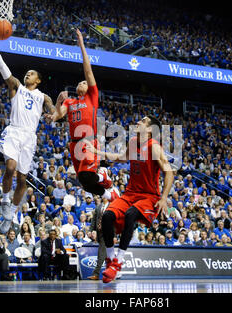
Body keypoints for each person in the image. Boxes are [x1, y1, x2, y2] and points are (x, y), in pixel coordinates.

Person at [87, 115, 174, 283]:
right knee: (107, 216)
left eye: (143, 121)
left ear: (149, 130)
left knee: (131, 215)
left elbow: (169, 171)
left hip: (149, 196)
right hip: (130, 193)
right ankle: (111, 261)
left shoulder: (154, 147)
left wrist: (164, 198)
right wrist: (98, 152)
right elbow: (121, 157)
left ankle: (118, 262)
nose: (138, 122)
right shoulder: (134, 141)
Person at [0, 26, 56, 235]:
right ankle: (5, 200)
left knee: (22, 180)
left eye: (32, 73)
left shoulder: (43, 96)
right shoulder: (16, 86)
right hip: (14, 131)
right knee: (10, 166)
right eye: (27, 72)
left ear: (38, 80)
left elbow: (53, 110)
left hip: (30, 137)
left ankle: (11, 214)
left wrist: (53, 114)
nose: (28, 74)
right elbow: (3, 68)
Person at [50, 28, 119, 203]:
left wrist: (81, 44)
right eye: (80, 82)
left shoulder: (92, 96)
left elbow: (88, 71)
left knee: (88, 176)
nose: (82, 82)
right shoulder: (70, 102)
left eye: (84, 82)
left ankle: (102, 176)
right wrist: (58, 100)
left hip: (89, 140)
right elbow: (56, 116)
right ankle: (109, 195)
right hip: (74, 145)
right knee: (84, 183)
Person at [87, 201, 108, 280]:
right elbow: (94, 220)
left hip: (107, 233)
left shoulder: (112, 205)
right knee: (105, 255)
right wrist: (90, 230)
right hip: (99, 233)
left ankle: (96, 274)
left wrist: (115, 235)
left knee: (101, 253)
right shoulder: (98, 206)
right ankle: (113, 272)